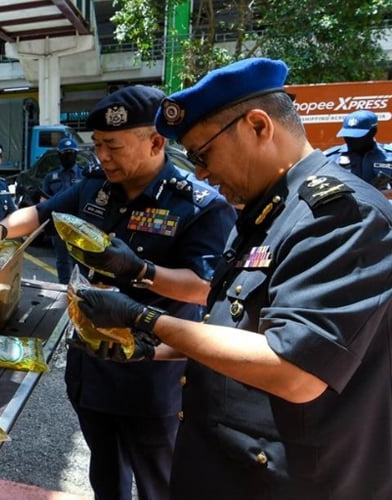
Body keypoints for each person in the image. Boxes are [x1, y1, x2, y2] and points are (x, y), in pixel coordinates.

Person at [76, 58, 392, 499]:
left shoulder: (342, 217)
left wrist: (145, 319)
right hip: (229, 469)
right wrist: (153, 350)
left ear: (259, 126)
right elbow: (238, 327)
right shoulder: (267, 211)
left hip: (292, 481)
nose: (201, 173)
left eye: (203, 155)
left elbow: (295, 369)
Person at [0, 85, 237, 500]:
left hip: (151, 372)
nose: (102, 156)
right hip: (92, 365)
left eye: (113, 146)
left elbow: (205, 289)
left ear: (156, 142)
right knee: (105, 474)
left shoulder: (197, 206)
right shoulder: (96, 188)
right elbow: (39, 214)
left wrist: (142, 270)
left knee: (157, 480)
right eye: (97, 146)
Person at [40, 137, 86, 284]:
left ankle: (81, 290)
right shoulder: (51, 176)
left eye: (71, 153)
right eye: (65, 153)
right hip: (58, 225)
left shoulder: (83, 174)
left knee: (81, 260)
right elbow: (43, 201)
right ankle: (64, 289)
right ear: (59, 155)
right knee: (62, 261)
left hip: (79, 226)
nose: (68, 156)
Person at [324, 109, 392, 199]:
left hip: (382, 210)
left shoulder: (389, 156)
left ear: (373, 132)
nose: (350, 140)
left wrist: (385, 195)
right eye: (347, 135)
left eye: (357, 136)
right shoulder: (331, 158)